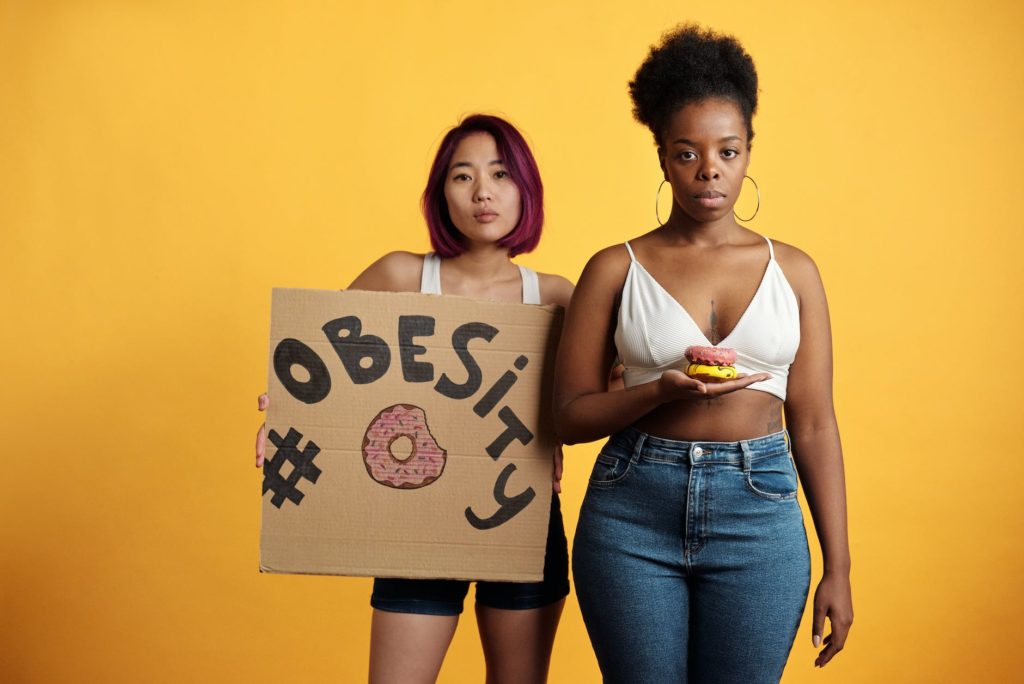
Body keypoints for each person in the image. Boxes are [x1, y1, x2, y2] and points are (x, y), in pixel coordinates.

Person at [553, 25, 853, 683]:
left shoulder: (794, 271)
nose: (709, 169)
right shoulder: (614, 268)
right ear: (662, 157)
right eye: (686, 153)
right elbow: (567, 417)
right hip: (632, 508)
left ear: (749, 152)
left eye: (727, 149)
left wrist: (840, 566)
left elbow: (814, 423)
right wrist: (657, 391)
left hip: (762, 507)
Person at [255, 114, 574, 683]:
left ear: (527, 190)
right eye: (463, 176)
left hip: (521, 517)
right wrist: (285, 416)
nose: (483, 191)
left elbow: (601, 391)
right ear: (439, 194)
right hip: (416, 521)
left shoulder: (553, 296)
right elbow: (317, 364)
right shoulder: (401, 276)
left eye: (501, 174)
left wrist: (557, 430)